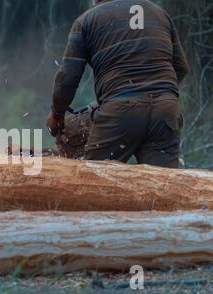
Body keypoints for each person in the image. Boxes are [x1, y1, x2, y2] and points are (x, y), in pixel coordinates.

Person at [47, 0, 189, 168]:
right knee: (162, 187)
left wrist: (57, 114)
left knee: (96, 185)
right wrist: (157, 92)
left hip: (120, 111)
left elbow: (67, 78)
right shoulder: (159, 13)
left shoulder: (86, 20)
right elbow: (181, 67)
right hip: (165, 112)